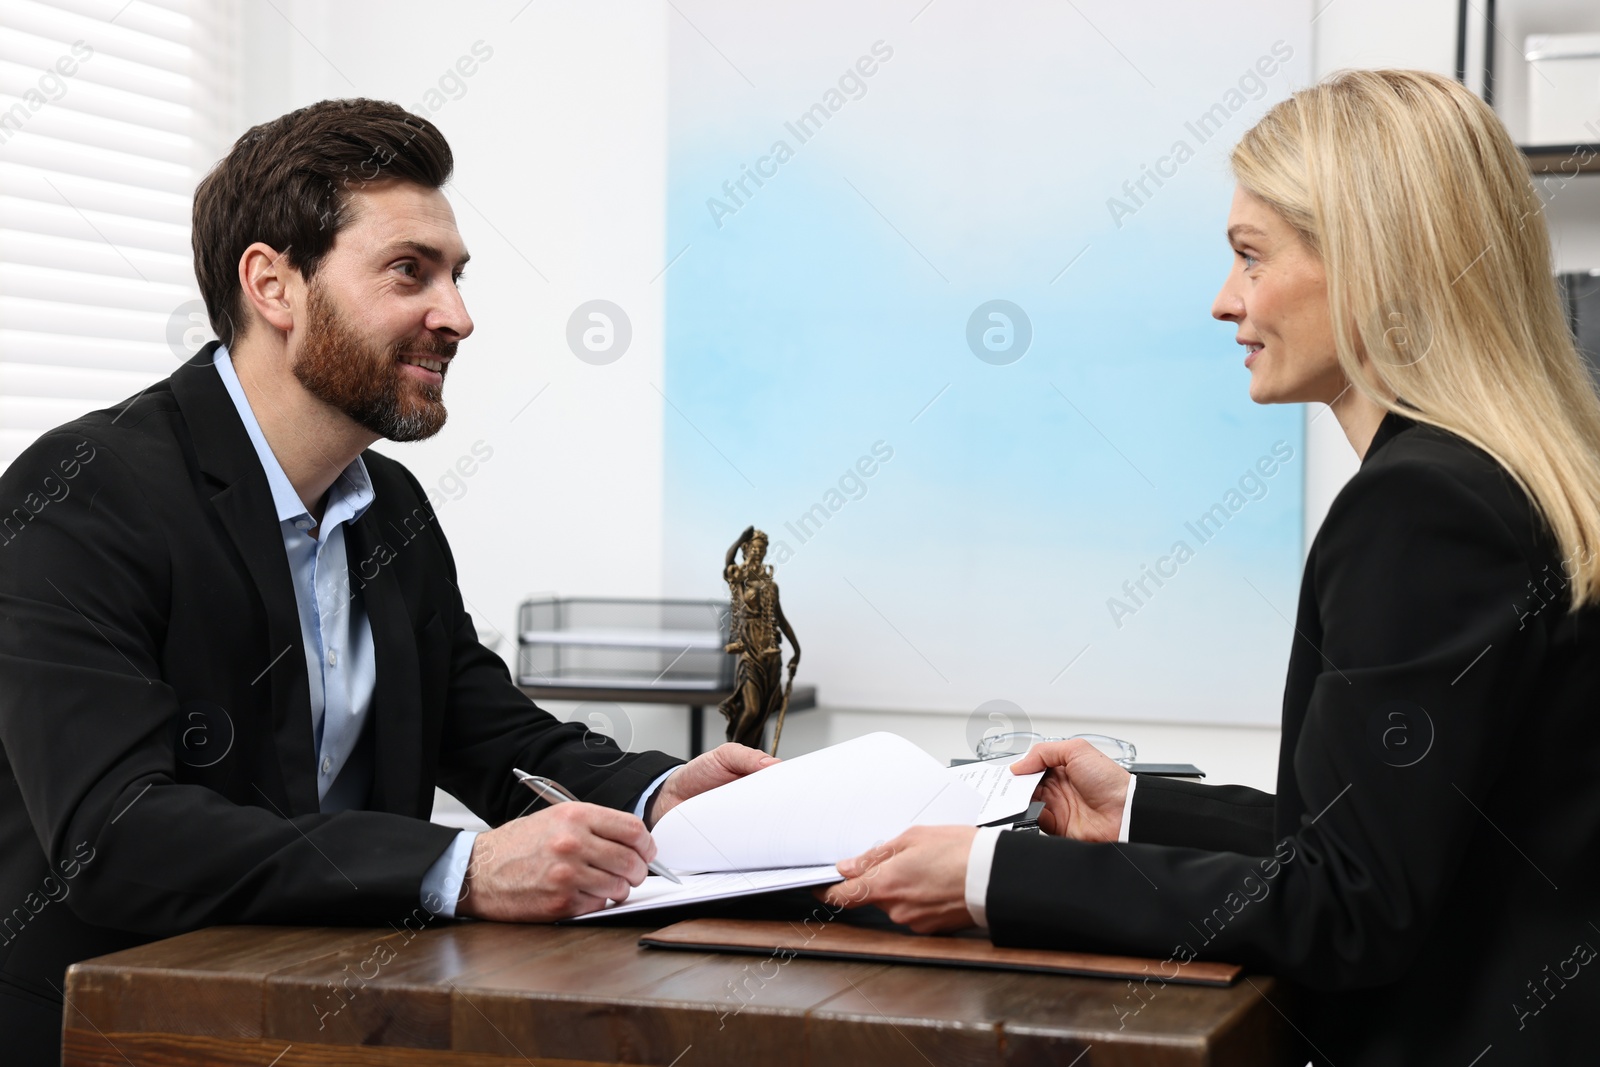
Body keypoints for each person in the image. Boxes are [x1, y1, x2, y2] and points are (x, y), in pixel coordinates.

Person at [823, 70, 1600, 1064]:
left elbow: (1348, 907)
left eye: (1249, 257)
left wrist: (990, 876)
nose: (1223, 300)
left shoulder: (1421, 510)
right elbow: (1380, 830)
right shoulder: (1507, 478)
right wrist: (1137, 808)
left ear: (1370, 262)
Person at [0, 99, 775, 1061]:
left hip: (345, 1012)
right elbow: (116, 833)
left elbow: (491, 736)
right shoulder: (83, 491)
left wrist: (663, 795)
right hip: (128, 1027)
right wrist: (465, 865)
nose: (457, 316)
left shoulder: (391, 504)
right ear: (273, 285)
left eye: (455, 276)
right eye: (411, 271)